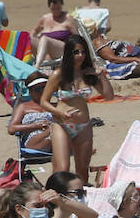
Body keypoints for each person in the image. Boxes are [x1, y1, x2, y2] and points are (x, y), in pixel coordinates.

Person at [43, 34, 114, 181]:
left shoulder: (88, 73)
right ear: (69, 53)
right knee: (62, 169)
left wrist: (101, 76)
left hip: (83, 125)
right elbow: (44, 101)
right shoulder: (59, 74)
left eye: (83, 52)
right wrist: (59, 112)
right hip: (61, 124)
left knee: (82, 171)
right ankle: (56, 198)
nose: (80, 56)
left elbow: (109, 96)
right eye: (76, 52)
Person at [31, 0, 81, 68]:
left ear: (61, 5)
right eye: (53, 9)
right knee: (28, 38)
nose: (56, 11)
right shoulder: (45, 18)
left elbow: (77, 38)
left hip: (62, 49)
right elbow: (34, 31)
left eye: (58, 8)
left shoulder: (67, 18)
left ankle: (37, 66)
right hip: (44, 51)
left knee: (45, 39)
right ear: (49, 7)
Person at [8, 76, 54, 152]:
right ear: (30, 91)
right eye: (38, 89)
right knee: (54, 130)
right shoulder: (23, 107)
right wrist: (35, 126)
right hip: (33, 141)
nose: (42, 92)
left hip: (54, 139)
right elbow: (11, 129)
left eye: (44, 88)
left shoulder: (55, 106)